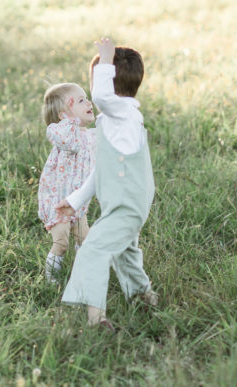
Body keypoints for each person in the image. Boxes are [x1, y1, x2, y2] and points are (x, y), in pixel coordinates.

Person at [56, 37, 158, 330]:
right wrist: (74, 200)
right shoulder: (117, 121)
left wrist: (105, 58)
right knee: (125, 254)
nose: (92, 92)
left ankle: (96, 320)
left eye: (96, 78)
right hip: (125, 206)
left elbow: (101, 96)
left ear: (107, 81)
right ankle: (144, 298)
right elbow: (101, 170)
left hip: (126, 207)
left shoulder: (121, 113)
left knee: (93, 250)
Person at [38, 82, 96, 283]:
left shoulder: (88, 135)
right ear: (64, 115)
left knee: (85, 240)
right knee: (61, 242)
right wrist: (71, 121)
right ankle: (51, 281)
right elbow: (68, 144)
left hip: (77, 202)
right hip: (57, 201)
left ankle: (81, 275)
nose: (88, 102)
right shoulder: (59, 131)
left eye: (86, 98)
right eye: (81, 100)